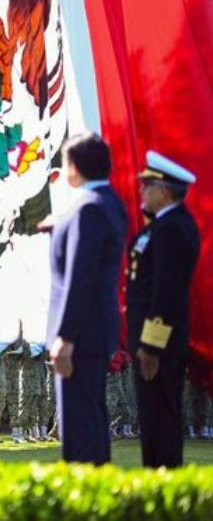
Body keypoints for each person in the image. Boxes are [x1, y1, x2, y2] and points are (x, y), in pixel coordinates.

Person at [44, 133, 127, 465]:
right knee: (91, 416)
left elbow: (81, 276)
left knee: (78, 424)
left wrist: (66, 336)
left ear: (74, 167)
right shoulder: (108, 203)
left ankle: (83, 490)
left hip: (81, 332)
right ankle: (97, 487)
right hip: (95, 328)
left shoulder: (87, 208)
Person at [126, 151, 199, 468]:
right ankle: (155, 479)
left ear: (164, 190)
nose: (142, 191)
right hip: (149, 340)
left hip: (159, 344)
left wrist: (152, 346)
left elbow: (167, 291)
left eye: (148, 186)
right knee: (152, 418)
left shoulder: (173, 228)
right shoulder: (161, 226)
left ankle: (164, 483)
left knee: (162, 418)